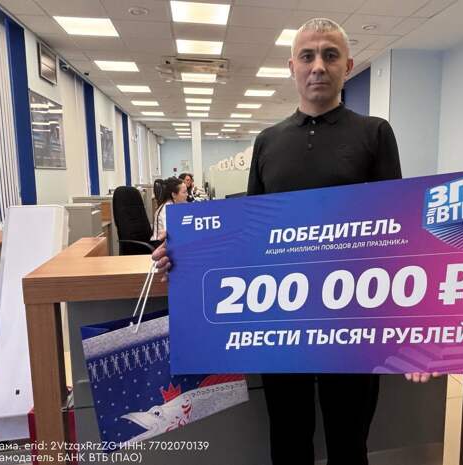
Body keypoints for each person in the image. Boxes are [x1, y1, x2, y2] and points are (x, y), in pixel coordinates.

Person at [153, 17, 437, 464]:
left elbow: (398, 235)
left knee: (349, 443)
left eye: (330, 55)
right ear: (292, 67)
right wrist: (185, 249)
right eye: (308, 56)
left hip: (352, 321)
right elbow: (248, 234)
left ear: (348, 66)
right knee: (288, 441)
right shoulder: (268, 142)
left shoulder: (375, 134)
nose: (318, 66)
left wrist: (419, 331)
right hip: (280, 320)